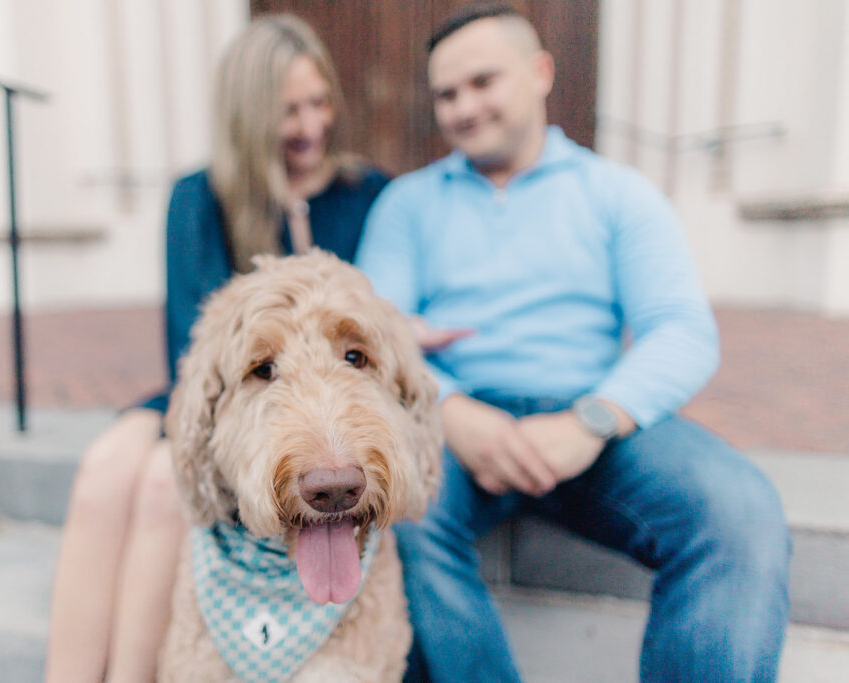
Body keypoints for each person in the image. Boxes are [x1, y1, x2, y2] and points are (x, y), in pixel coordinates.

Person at [354, 4, 791, 682]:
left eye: (482, 82)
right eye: (446, 94)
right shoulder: (407, 206)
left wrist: (592, 420)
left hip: (592, 415)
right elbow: (370, 336)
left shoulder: (617, 194)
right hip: (448, 421)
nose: (464, 107)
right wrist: (449, 409)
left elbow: (682, 329)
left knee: (741, 513)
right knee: (396, 518)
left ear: (539, 73)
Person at [43, 15, 388, 683]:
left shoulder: (368, 193)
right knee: (99, 480)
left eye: (320, 103)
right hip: (216, 387)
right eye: (289, 111)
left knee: (156, 485)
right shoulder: (198, 198)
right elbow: (186, 345)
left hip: (314, 409)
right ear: (248, 115)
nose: (312, 126)